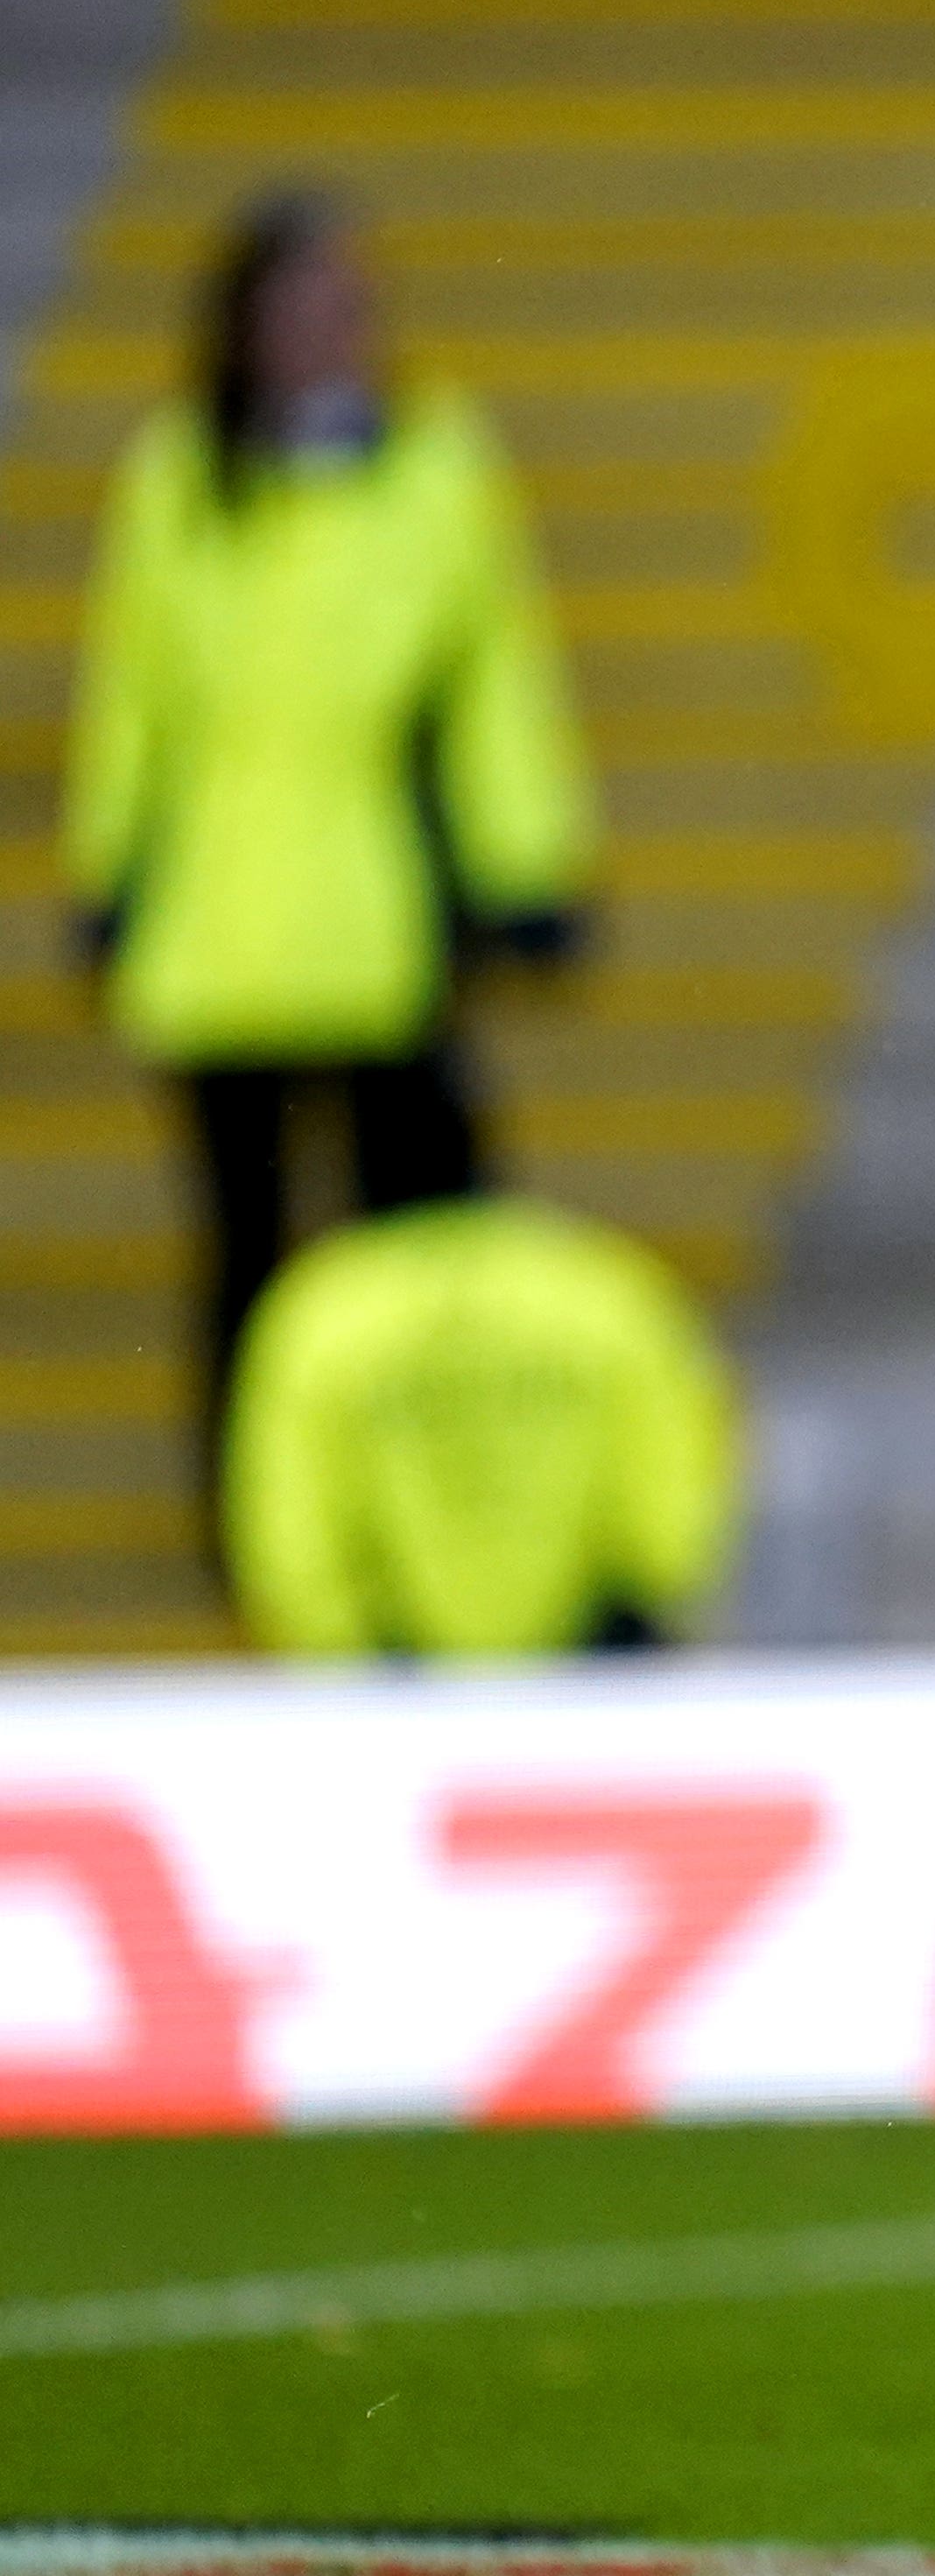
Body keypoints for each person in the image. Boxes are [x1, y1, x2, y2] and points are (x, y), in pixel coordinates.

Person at [61, 192, 596, 1518]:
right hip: (224, 932)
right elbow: (132, 694)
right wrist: (109, 871)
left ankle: (414, 1510)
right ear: (243, 330)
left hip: (380, 925)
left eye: (351, 308)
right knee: (248, 1266)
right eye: (305, 309)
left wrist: (524, 865)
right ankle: (260, 1531)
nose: (334, 335)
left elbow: (491, 683)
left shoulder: (432, 465)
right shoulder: (179, 478)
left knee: (417, 1256)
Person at [221, 1193, 736, 1657]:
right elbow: (672, 1455)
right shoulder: (600, 1288)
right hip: (594, 1659)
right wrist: (642, 1600)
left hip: (394, 1679)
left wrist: (345, 1640)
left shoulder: (323, 1307)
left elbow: (290, 1505)